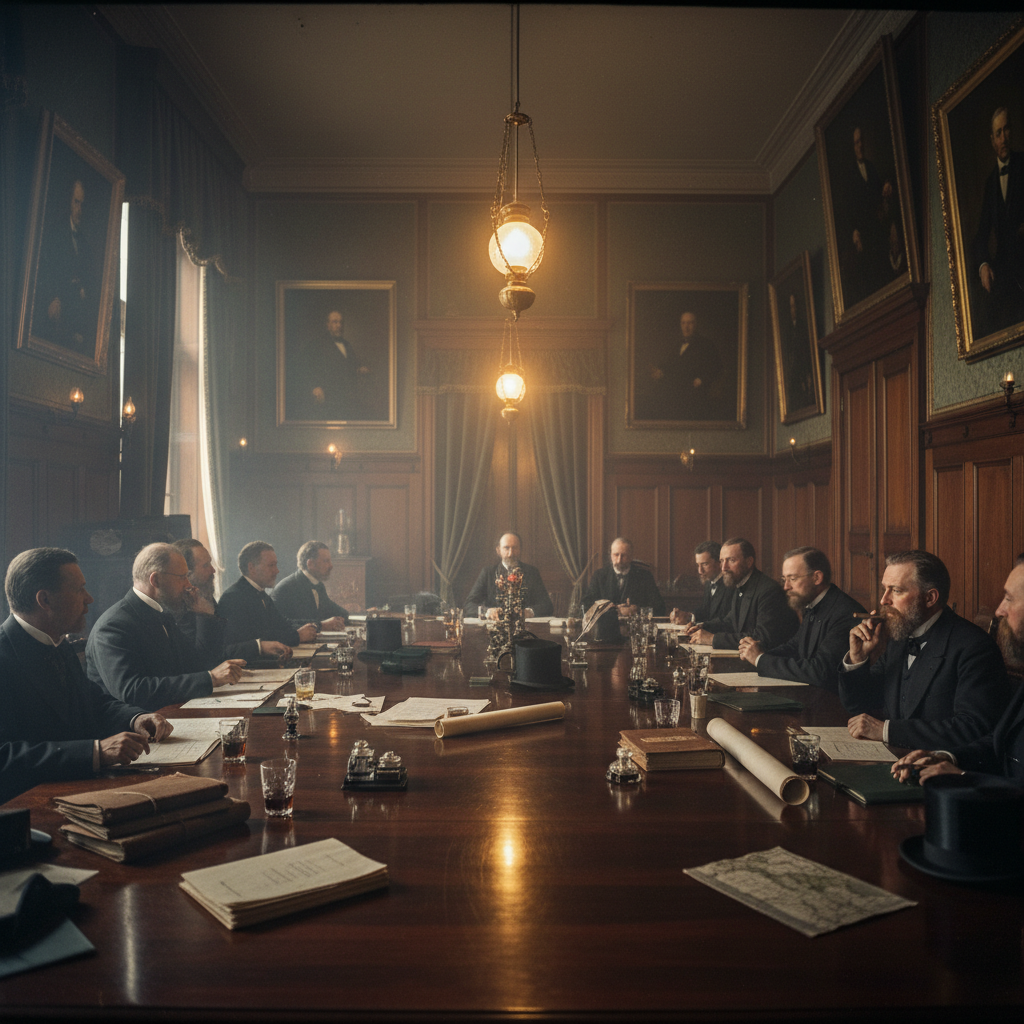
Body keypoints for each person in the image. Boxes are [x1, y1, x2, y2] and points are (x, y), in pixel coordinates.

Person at [0, 548, 173, 805]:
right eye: (79, 590)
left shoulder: (59, 642)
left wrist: (136, 718)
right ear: (45, 600)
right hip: (27, 808)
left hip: (79, 789)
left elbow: (92, 701)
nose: (89, 599)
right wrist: (95, 752)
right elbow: (5, 757)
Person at [840, 550, 1010, 750]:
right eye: (885, 589)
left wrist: (887, 731)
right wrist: (857, 658)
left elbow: (972, 728)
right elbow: (860, 704)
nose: (884, 600)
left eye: (896, 591)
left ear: (930, 598)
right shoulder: (900, 636)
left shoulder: (974, 647)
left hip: (940, 770)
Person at [892, 558, 1024, 784]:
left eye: (1009, 599)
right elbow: (997, 742)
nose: (999, 610)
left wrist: (966, 777)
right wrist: (946, 757)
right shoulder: (899, 636)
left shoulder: (972, 644)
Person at [86, 543, 246, 712]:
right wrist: (211, 678)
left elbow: (197, 665)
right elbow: (132, 691)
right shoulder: (114, 626)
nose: (188, 584)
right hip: (131, 731)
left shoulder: (161, 614)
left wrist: (204, 616)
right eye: (182, 577)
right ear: (155, 580)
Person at [737, 546, 865, 689]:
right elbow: (795, 646)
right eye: (784, 579)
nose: (786, 587)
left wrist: (760, 659)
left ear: (817, 577)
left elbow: (821, 671)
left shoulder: (845, 612)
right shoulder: (813, 603)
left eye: (792, 579)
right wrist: (756, 652)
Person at [682, 537, 798, 651]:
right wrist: (701, 626)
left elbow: (762, 637)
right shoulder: (739, 583)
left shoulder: (769, 590)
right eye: (722, 561)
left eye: (731, 560)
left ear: (749, 562)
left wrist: (713, 639)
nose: (724, 568)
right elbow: (730, 621)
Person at [171, 538, 269, 664]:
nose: (213, 570)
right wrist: (204, 616)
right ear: (187, 574)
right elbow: (203, 659)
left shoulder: (205, 597)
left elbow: (224, 645)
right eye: (206, 565)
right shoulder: (175, 609)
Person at [971, 107, 1024, 335]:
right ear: (992, 141)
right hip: (1004, 271)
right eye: (998, 133)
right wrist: (983, 265)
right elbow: (981, 234)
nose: (1003, 138)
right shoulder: (990, 183)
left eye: (1006, 130)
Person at [34, 178, 101, 353]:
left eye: (82, 204)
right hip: (59, 315)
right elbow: (45, 270)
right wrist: (52, 298)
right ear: (68, 202)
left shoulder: (85, 244)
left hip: (78, 319)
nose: (80, 210)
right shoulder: (55, 233)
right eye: (76, 202)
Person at [218, 541, 319, 652]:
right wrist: (297, 636)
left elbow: (282, 624)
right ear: (251, 567)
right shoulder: (233, 598)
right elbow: (258, 640)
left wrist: (313, 627)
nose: (277, 570)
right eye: (271, 565)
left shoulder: (261, 593)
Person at [840, 126, 901, 309]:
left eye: (862, 141)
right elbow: (847, 208)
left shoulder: (871, 167)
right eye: (857, 142)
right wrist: (854, 232)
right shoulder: (849, 174)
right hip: (863, 234)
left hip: (877, 229)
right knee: (869, 278)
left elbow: (880, 190)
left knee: (883, 272)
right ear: (852, 146)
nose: (861, 145)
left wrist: (887, 185)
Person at [287, 309, 385, 422]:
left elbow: (351, 365)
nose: (339, 325)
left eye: (341, 322)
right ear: (328, 325)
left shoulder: (347, 345)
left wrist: (359, 369)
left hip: (347, 398)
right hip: (327, 398)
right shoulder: (316, 344)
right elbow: (302, 368)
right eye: (335, 322)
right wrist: (314, 387)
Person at [638, 311, 727, 422]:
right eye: (683, 323)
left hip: (694, 395)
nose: (686, 327)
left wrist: (702, 379)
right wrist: (660, 371)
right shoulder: (677, 345)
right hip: (675, 393)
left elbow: (717, 367)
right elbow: (668, 365)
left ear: (696, 324)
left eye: (690, 323)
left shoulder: (706, 344)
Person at [463, 532, 553, 619]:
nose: (511, 553)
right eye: (506, 548)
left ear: (520, 549)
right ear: (498, 550)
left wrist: (529, 612)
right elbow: (469, 605)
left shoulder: (532, 572)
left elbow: (547, 605)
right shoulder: (488, 573)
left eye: (515, 548)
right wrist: (487, 612)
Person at [272, 541, 349, 631]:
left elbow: (339, 612)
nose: (331, 566)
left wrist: (340, 618)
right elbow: (288, 624)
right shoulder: (288, 588)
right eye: (326, 561)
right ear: (310, 564)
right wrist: (322, 625)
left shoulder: (319, 586)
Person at [583, 538, 666, 618]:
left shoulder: (645, 576)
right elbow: (587, 605)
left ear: (631, 556)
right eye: (616, 555)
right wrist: (613, 610)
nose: (619, 560)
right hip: (607, 629)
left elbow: (660, 607)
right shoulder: (599, 576)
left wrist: (637, 610)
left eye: (623, 555)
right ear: (611, 555)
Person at [670, 541, 729, 625]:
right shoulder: (709, 582)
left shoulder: (730, 584)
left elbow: (725, 620)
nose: (700, 571)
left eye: (705, 564)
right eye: (698, 565)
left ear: (719, 563)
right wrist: (687, 616)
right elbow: (705, 612)